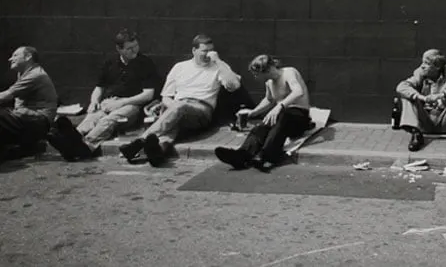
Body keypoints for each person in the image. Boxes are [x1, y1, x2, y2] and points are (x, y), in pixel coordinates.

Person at [119, 34, 240, 167]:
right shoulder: (180, 67)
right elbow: (166, 96)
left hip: (201, 110)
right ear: (194, 51)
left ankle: (139, 141)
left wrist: (218, 61)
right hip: (176, 107)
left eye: (211, 51)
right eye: (204, 51)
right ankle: (158, 152)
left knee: (179, 108)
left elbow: (234, 86)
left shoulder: (218, 67)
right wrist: (173, 108)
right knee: (174, 121)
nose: (208, 54)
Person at [48, 29, 160, 161]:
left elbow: (148, 95)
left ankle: (87, 146)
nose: (134, 50)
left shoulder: (145, 63)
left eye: (136, 46)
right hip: (109, 101)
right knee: (93, 117)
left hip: (132, 105)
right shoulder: (110, 62)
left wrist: (121, 103)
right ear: (119, 49)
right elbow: (99, 87)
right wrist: (94, 101)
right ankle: (72, 140)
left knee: (108, 120)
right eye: (130, 48)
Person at [214, 55, 312, 172]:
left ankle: (266, 155)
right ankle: (241, 155)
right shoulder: (269, 82)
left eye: (257, 74)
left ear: (268, 70)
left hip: (299, 117)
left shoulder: (289, 72)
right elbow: (269, 100)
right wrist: (253, 112)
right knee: (261, 127)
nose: (255, 77)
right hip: (282, 118)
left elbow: (298, 91)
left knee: (282, 116)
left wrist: (279, 107)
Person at [395, 49, 446, 153]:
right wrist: (421, 97)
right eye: (422, 62)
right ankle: (416, 135)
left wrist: (442, 96)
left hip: (445, 119)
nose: (422, 66)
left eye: (426, 63)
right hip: (424, 121)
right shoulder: (420, 72)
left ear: (437, 67)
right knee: (407, 96)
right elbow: (401, 87)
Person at [0, 46, 57, 163]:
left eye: (15, 55)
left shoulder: (35, 75)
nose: (10, 59)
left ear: (28, 57)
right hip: (28, 118)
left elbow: (5, 96)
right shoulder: (25, 73)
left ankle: (29, 147)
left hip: (38, 122)